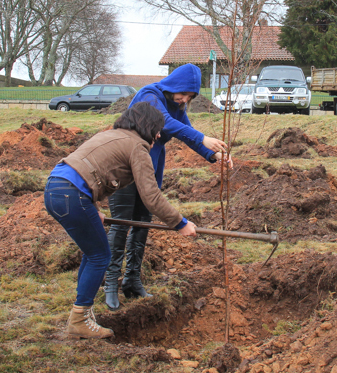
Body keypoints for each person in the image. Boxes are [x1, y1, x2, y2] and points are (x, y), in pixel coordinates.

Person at [43, 102, 198, 339]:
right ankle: (79, 319)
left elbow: (85, 168)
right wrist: (180, 223)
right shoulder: (137, 146)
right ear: (148, 125)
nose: (159, 135)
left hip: (55, 188)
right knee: (100, 256)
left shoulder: (111, 135)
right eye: (158, 129)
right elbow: (151, 195)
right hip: (71, 195)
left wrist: (92, 208)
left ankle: (82, 311)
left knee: (91, 251)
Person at [103, 63, 230, 310]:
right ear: (174, 84)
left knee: (142, 226)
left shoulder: (177, 106)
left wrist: (213, 155)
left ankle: (132, 281)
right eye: (183, 93)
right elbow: (168, 124)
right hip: (126, 169)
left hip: (149, 173)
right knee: (121, 226)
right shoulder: (150, 95)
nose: (184, 100)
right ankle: (110, 285)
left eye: (190, 97)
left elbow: (187, 132)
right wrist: (203, 138)